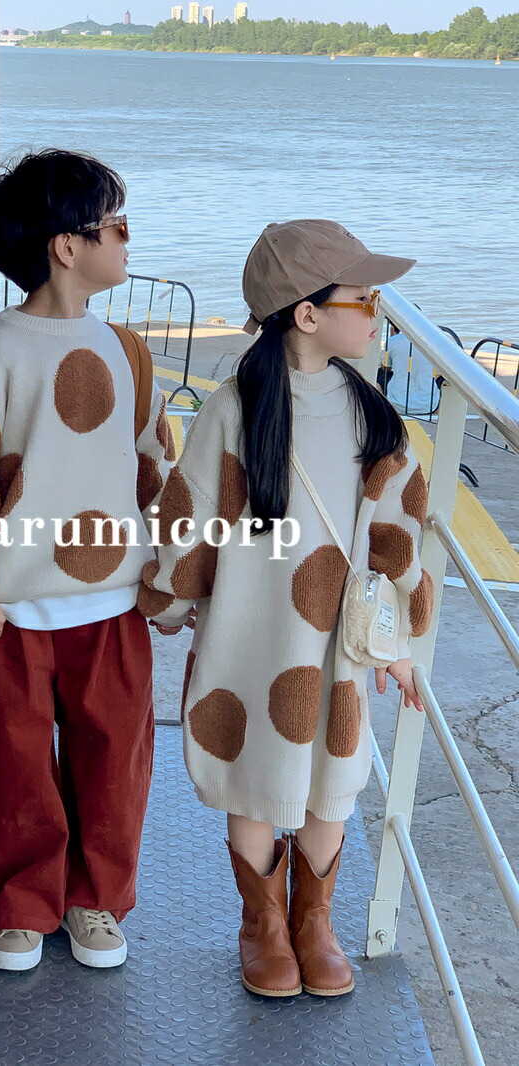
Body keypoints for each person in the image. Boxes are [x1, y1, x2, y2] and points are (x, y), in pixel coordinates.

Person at [137, 219, 434, 998]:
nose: (377, 312)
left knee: (335, 774)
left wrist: (397, 641)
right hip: (249, 633)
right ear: (307, 314)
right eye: (364, 299)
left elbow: (398, 536)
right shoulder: (234, 409)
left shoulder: (373, 417)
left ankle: (314, 922)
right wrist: (171, 599)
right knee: (252, 770)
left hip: (336, 645)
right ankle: (264, 924)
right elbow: (189, 516)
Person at [0, 149, 175, 972]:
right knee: (14, 764)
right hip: (14, 608)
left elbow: (155, 471)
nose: (128, 240)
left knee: (116, 765)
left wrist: (168, 576)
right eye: (116, 226)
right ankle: (23, 905)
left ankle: (94, 900)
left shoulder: (129, 353)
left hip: (113, 603)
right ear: (68, 246)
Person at [381, 324, 440, 416]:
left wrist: (392, 339)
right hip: (429, 406)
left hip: (397, 405)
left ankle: (381, 409)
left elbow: (386, 367)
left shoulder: (393, 340)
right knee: (442, 379)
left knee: (380, 373)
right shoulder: (435, 342)